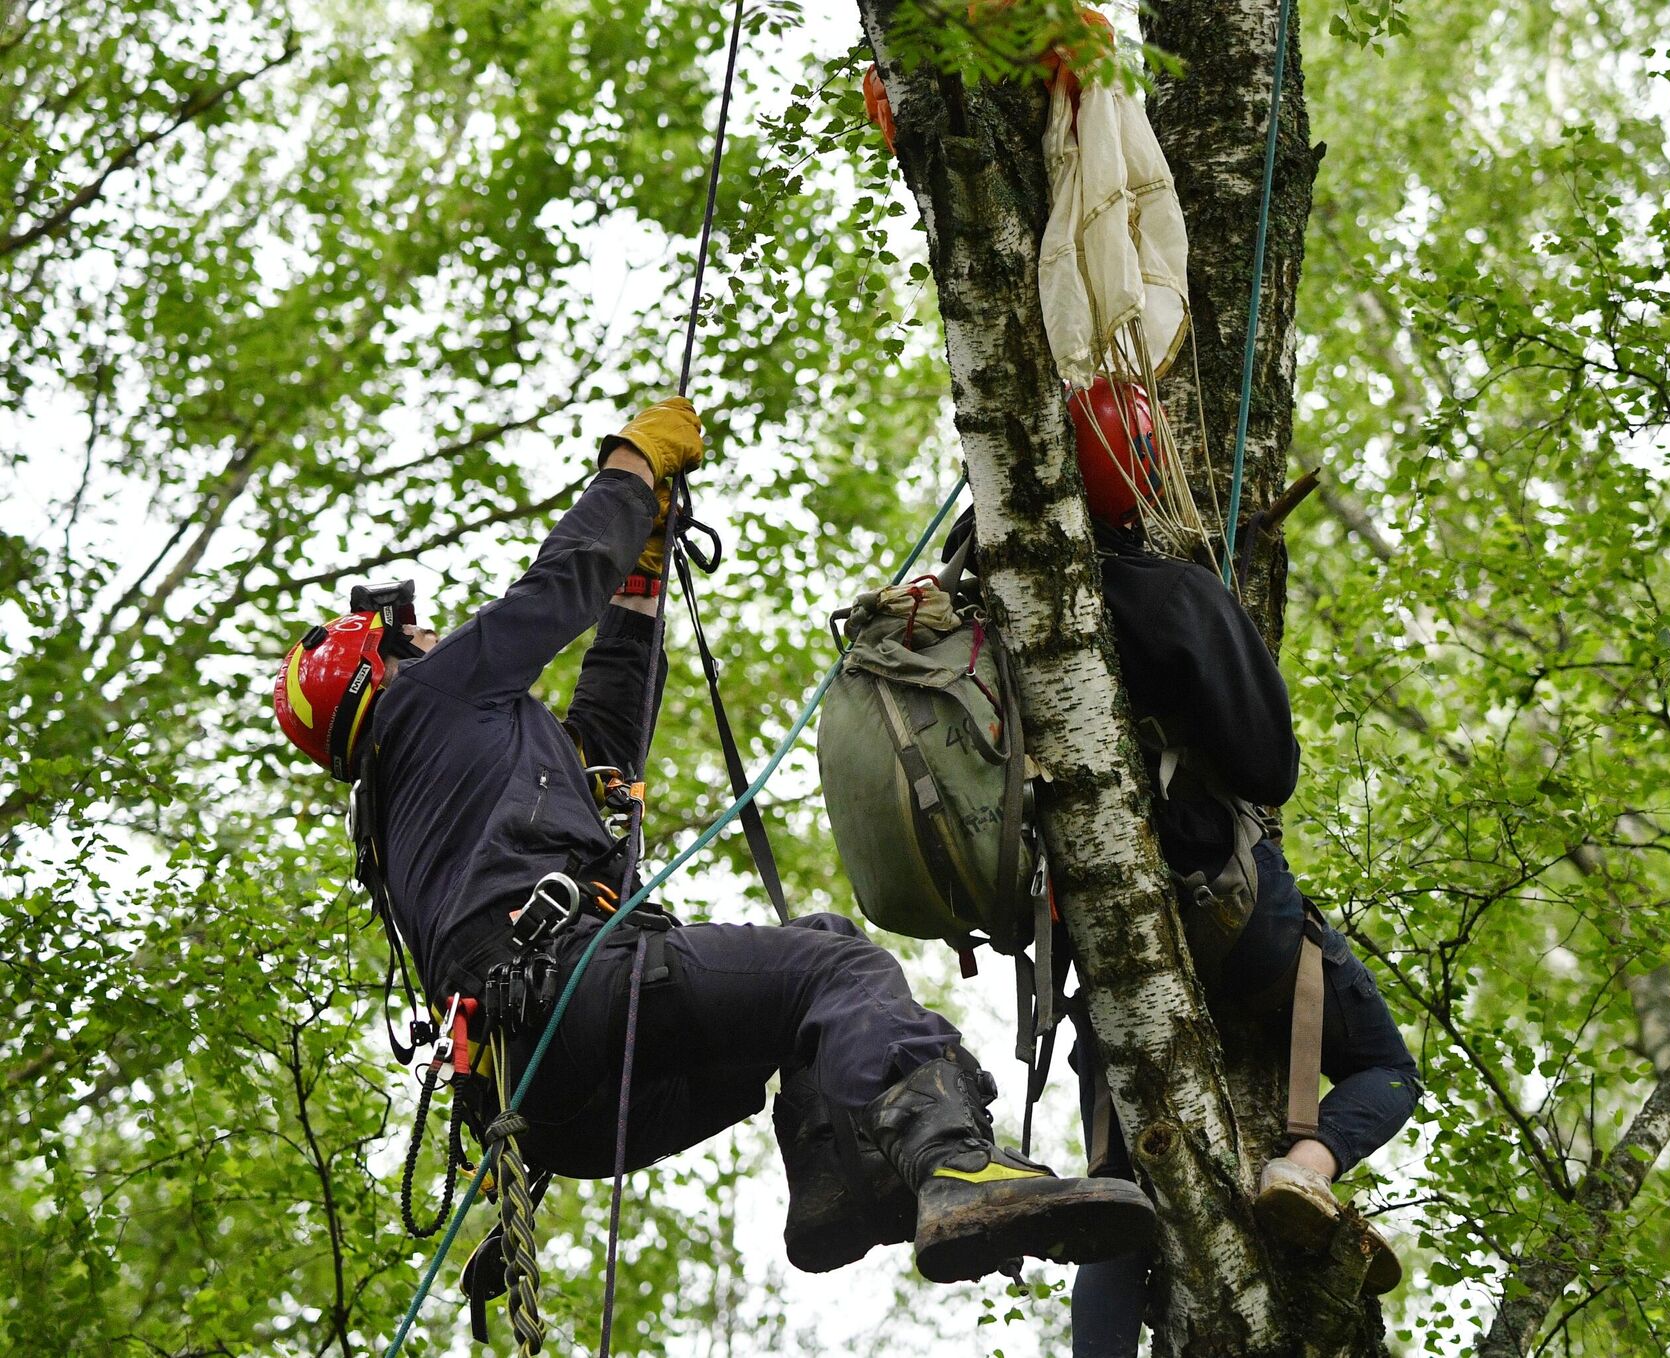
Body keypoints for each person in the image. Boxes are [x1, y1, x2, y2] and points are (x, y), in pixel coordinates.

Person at [271, 397, 1157, 1288]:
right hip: (573, 998)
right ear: (377, 672)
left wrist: (643, 577)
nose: (436, 634)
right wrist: (629, 466)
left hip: (560, 1102)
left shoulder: (428, 795)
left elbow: (603, 746)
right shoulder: (427, 700)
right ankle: (956, 1166)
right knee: (841, 977)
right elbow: (559, 583)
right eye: (415, 636)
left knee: (823, 951)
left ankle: (835, 1188)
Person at [941, 380, 1422, 1352]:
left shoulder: (974, 621)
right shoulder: (1170, 594)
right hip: (1233, 915)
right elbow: (1270, 767)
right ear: (1138, 477)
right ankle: (1307, 1165)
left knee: (1119, 1207)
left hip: (1090, 946)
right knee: (1387, 1064)